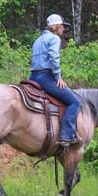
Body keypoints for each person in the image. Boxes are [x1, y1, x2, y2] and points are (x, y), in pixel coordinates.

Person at [29, 13, 82, 146]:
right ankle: (66, 135)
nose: (63, 29)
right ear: (57, 26)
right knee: (75, 102)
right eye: (62, 26)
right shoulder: (54, 39)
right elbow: (54, 58)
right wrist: (58, 77)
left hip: (33, 77)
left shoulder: (37, 40)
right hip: (45, 77)